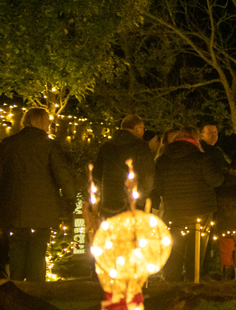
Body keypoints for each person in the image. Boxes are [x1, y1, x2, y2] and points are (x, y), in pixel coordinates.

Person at [0, 108, 76, 281]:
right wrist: (70, 198)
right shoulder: (49, 145)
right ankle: (36, 291)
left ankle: (17, 288)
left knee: (17, 246)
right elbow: (62, 174)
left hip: (15, 207)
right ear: (42, 122)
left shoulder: (8, 144)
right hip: (43, 208)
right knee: (38, 248)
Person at [152, 125, 224, 281]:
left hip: (174, 209)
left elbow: (158, 186)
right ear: (195, 140)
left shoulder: (163, 160)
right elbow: (216, 180)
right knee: (196, 244)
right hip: (201, 208)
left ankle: (172, 278)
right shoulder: (201, 158)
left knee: (175, 244)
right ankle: (193, 277)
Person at [92, 114, 155, 218]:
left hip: (108, 202)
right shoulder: (140, 147)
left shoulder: (107, 146)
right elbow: (148, 175)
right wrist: (141, 198)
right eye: (143, 129)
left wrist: (109, 186)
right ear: (136, 129)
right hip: (132, 202)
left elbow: (96, 173)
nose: (143, 132)